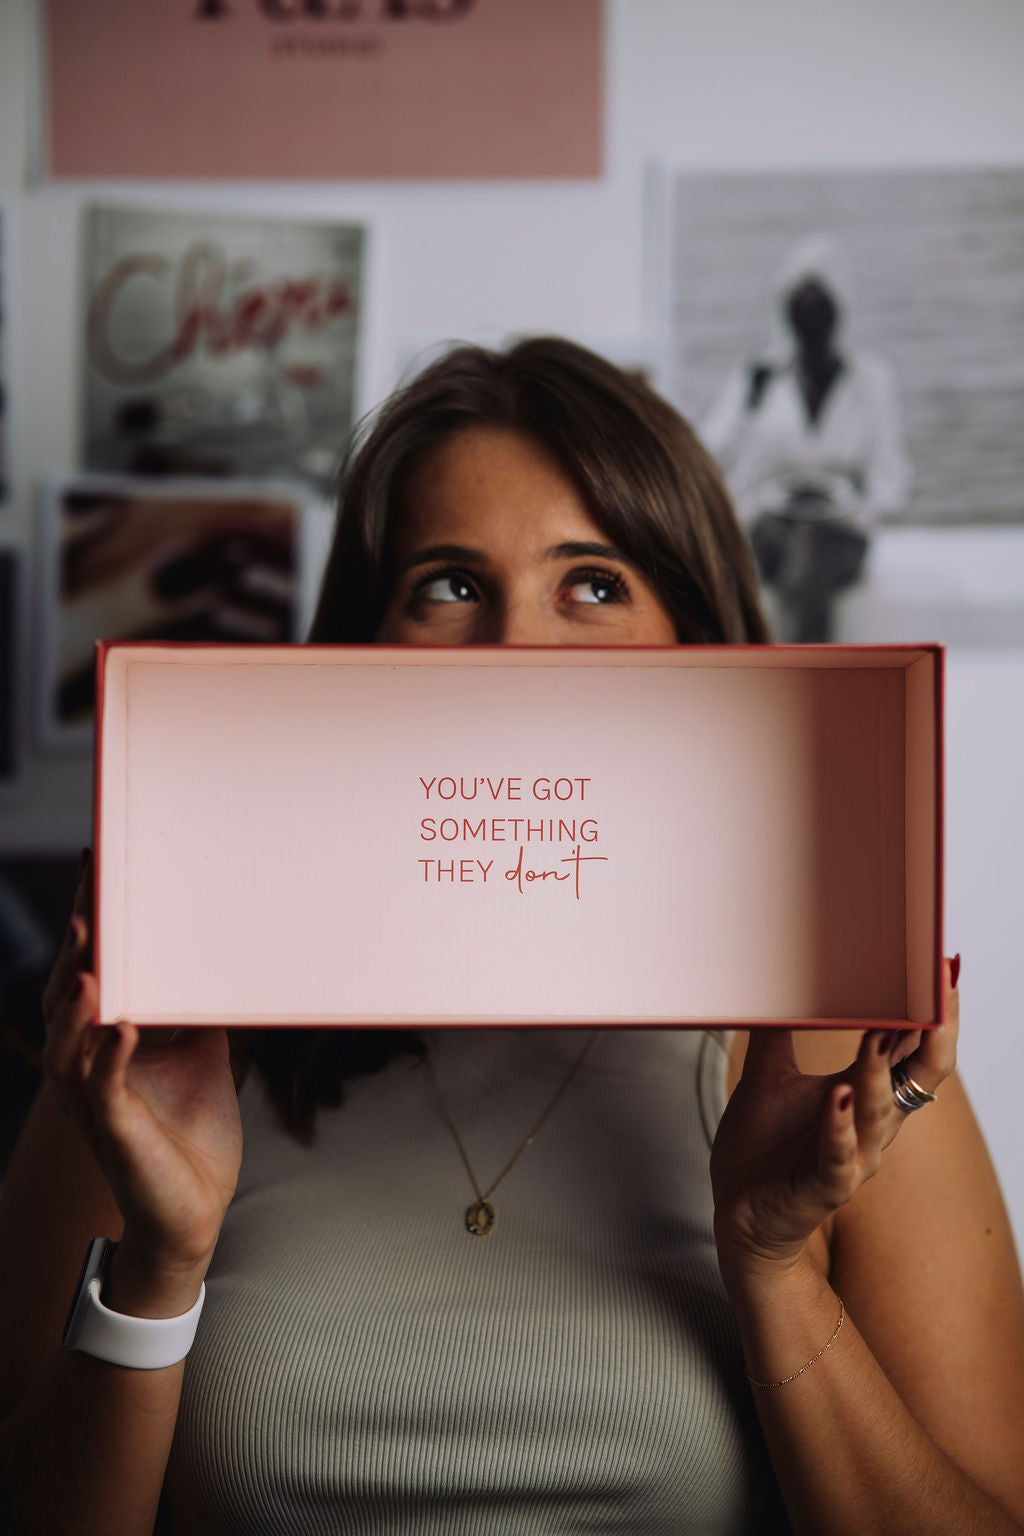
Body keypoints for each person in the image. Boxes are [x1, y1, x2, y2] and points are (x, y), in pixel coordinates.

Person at [1, 337, 1022, 1536]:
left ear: (702, 647)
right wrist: (159, 1265)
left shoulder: (836, 1050)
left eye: (591, 583)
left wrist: (778, 1266)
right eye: (447, 586)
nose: (516, 656)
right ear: (363, 648)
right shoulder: (165, 1040)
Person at [701, 234, 911, 643]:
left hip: (841, 532)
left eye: (822, 311)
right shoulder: (757, 376)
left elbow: (892, 478)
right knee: (771, 566)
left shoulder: (872, 381)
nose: (811, 325)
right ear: (786, 316)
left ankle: (798, 693)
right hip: (769, 525)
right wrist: (748, 406)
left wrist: (856, 506)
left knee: (809, 560)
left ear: (839, 314)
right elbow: (709, 454)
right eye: (801, 311)